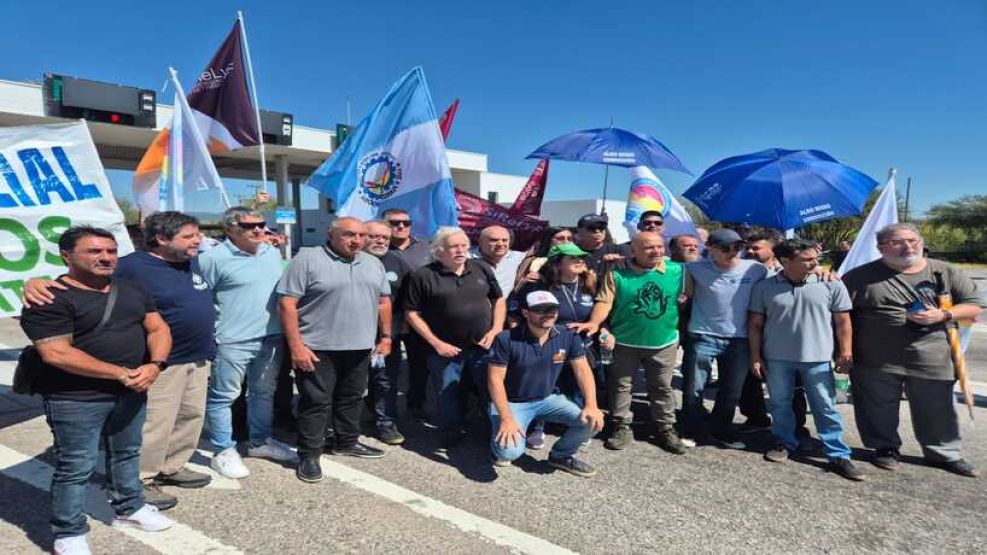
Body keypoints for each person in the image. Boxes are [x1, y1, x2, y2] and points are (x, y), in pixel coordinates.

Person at [24, 212, 217, 509]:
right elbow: (80, 278)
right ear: (162, 239)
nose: (198, 240)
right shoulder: (133, 267)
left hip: (194, 355)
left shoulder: (191, 262)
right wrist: (34, 281)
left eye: (198, 234)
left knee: (188, 417)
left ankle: (172, 466)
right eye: (189, 236)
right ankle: (142, 477)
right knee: (155, 423)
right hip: (159, 363)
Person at [20, 226, 175, 554]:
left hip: (131, 390)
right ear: (67, 256)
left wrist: (155, 364)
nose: (106, 257)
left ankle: (129, 508)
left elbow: (157, 326)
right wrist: (119, 373)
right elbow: (56, 352)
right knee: (76, 464)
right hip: (75, 398)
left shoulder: (132, 289)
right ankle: (69, 531)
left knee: (127, 453)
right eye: (94, 251)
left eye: (111, 251)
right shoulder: (47, 297)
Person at [842, 223, 985, 477]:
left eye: (913, 240)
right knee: (876, 408)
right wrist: (843, 352)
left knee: (937, 408)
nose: (908, 246)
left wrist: (944, 314)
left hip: (932, 357)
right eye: (898, 242)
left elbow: (974, 306)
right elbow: (841, 314)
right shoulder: (859, 276)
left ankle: (944, 453)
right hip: (875, 359)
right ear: (881, 247)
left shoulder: (945, 271)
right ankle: (884, 448)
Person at [278, 217, 393, 483]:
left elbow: (383, 301)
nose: (357, 241)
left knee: (352, 397)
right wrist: (296, 346)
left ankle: (346, 441)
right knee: (316, 402)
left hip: (360, 346)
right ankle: (309, 453)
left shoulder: (372, 262)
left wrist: (386, 336)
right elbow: (287, 304)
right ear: (331, 234)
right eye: (349, 235)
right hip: (317, 348)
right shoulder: (306, 260)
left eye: (362, 235)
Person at [748, 239, 865, 481]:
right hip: (777, 357)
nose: (814, 263)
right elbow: (756, 324)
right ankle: (784, 442)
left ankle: (838, 454)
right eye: (807, 259)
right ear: (785, 261)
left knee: (825, 406)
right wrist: (755, 355)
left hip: (817, 357)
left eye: (815, 259)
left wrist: (846, 351)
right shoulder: (764, 287)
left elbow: (843, 320)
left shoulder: (830, 284)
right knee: (780, 403)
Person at [198, 207, 297, 480]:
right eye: (249, 226)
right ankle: (223, 450)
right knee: (223, 396)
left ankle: (260, 442)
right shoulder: (212, 258)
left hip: (272, 337)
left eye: (261, 224)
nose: (258, 230)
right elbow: (202, 299)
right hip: (232, 340)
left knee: (263, 393)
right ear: (231, 229)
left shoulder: (271, 252)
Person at [573, 232, 688, 454]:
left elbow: (689, 296)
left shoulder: (678, 271)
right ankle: (621, 426)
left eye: (659, 246)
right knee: (621, 386)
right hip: (625, 341)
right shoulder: (617, 274)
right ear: (633, 250)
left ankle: (666, 428)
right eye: (649, 247)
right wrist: (596, 323)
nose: (656, 251)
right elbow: (604, 301)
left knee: (662, 387)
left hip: (663, 342)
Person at [404, 227, 505, 449]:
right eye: (454, 247)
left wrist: (496, 329)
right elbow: (411, 313)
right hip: (445, 351)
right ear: (439, 251)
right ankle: (450, 434)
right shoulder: (423, 276)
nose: (461, 250)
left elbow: (498, 299)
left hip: (483, 347)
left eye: (464, 246)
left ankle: (494, 432)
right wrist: (437, 343)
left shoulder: (481, 268)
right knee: (447, 395)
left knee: (488, 390)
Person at [488, 291, 605, 477]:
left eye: (552, 309)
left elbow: (582, 370)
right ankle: (498, 430)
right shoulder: (506, 338)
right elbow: (495, 380)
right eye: (540, 310)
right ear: (525, 313)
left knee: (592, 421)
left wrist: (591, 405)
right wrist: (506, 418)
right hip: (512, 403)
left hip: (547, 398)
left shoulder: (567, 335)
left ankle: (561, 456)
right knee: (508, 453)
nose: (548, 314)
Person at [679, 228, 768, 449]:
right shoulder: (693, 268)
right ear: (710, 249)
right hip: (703, 336)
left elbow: (783, 277)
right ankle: (691, 430)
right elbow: (663, 270)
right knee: (694, 388)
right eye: (726, 248)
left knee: (731, 390)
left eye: (738, 247)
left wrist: (826, 274)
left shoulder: (756, 269)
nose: (733, 252)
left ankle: (721, 430)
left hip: (740, 339)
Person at [511, 243, 601, 449]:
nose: (580, 261)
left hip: (581, 347)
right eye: (573, 258)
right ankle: (537, 427)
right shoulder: (539, 286)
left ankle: (577, 426)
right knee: (544, 387)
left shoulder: (589, 283)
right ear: (558, 263)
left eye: (581, 257)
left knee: (578, 388)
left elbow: (599, 314)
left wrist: (599, 328)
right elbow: (516, 310)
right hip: (548, 347)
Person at [364, 220, 413, 445]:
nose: (381, 241)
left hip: (385, 335)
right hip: (350, 335)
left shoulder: (398, 263)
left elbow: (408, 299)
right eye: (374, 236)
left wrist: (399, 328)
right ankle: (348, 421)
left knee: (385, 380)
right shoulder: (351, 260)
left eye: (385, 237)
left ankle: (385, 422)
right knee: (352, 381)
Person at [382, 207, 432, 418]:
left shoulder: (426, 249)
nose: (401, 226)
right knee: (383, 370)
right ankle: (382, 411)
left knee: (420, 366)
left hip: (419, 319)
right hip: (386, 320)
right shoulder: (377, 248)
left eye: (406, 222)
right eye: (394, 223)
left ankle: (416, 404)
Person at [471, 225, 527, 295]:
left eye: (504, 240)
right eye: (494, 240)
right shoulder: (465, 259)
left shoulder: (516, 257)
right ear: (480, 242)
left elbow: (538, 252)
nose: (500, 244)